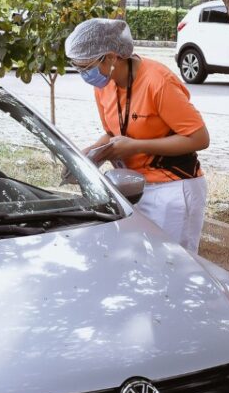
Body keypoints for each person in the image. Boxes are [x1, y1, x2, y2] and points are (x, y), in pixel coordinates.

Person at [65, 18, 210, 253]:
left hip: (173, 188)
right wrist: (90, 153)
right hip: (131, 188)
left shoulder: (158, 81)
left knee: (172, 267)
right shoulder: (104, 85)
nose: (84, 74)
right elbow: (113, 133)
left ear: (112, 57)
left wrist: (136, 146)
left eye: (87, 67)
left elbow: (199, 138)